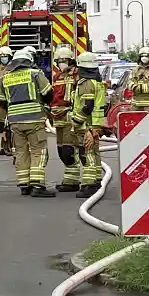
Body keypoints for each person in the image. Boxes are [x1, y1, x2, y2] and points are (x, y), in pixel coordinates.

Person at [0, 49, 55, 197]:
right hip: (34, 119)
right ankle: (37, 185)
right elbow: (48, 93)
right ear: (29, 61)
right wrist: (44, 106)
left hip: (15, 121)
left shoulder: (5, 78)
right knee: (38, 151)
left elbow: (1, 100)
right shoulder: (35, 74)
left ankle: (24, 185)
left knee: (21, 152)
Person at [70, 51, 107, 199]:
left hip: (87, 124)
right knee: (94, 152)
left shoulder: (85, 83)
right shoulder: (97, 82)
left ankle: (90, 184)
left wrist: (77, 121)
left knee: (86, 153)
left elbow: (87, 106)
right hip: (95, 124)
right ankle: (96, 180)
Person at [51, 45, 81, 192]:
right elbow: (53, 96)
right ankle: (69, 180)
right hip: (58, 118)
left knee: (69, 150)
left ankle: (73, 182)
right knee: (61, 150)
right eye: (59, 61)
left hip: (70, 116)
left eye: (64, 60)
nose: (62, 63)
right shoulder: (57, 77)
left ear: (71, 61)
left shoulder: (77, 75)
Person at [128, 46, 149, 111]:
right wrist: (133, 86)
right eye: (142, 56)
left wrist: (137, 88)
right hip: (136, 105)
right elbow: (129, 83)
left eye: (146, 56)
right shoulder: (135, 70)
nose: (144, 58)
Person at [0, 46, 14, 156]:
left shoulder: (12, 68)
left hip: (10, 99)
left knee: (10, 125)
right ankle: (4, 146)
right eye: (1, 56)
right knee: (2, 125)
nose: (3, 58)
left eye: (5, 56)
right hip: (0, 99)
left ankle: (10, 147)